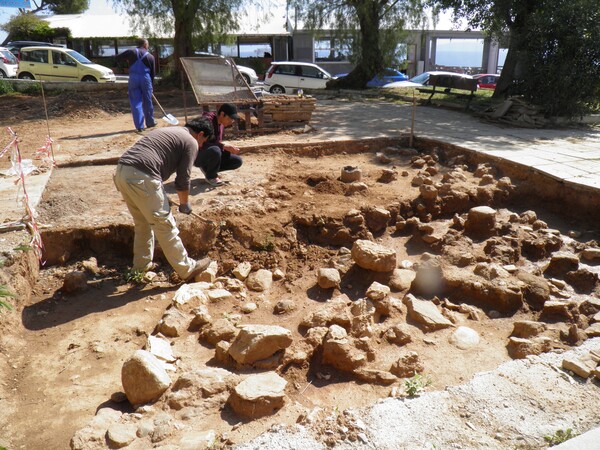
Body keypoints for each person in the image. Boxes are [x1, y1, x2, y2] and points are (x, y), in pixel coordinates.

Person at [113, 118, 214, 282]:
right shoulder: (191, 141)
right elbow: (183, 180)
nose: (201, 146)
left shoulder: (169, 131)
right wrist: (184, 204)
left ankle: (141, 266)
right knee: (165, 225)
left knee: (143, 222)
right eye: (203, 141)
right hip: (141, 177)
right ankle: (186, 268)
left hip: (122, 172)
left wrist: (156, 191)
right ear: (201, 134)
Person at [195, 103, 243, 187]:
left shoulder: (221, 124)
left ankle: (209, 170)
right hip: (197, 155)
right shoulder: (207, 121)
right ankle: (211, 177)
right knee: (216, 150)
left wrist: (227, 147)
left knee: (237, 161)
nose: (232, 121)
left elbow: (215, 141)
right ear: (222, 114)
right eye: (230, 118)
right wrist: (223, 146)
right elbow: (201, 143)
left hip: (210, 152)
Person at [116, 38, 157, 132]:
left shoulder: (131, 52)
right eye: (148, 45)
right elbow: (153, 73)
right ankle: (150, 122)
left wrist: (127, 62)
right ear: (145, 45)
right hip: (146, 79)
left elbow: (117, 58)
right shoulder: (150, 57)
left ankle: (139, 126)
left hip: (133, 79)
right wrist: (151, 85)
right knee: (148, 101)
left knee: (135, 102)